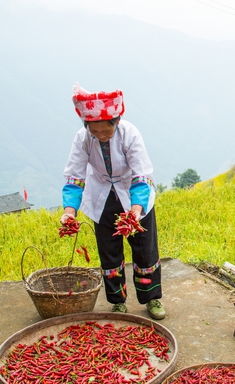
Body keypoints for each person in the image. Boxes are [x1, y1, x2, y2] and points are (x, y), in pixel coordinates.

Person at [60, 84, 165, 320]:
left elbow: (141, 174)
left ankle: (151, 298)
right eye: (95, 132)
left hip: (133, 192)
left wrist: (136, 209)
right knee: (109, 253)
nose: (101, 136)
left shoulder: (130, 134)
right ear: (87, 127)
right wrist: (69, 211)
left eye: (105, 131)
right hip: (102, 195)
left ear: (116, 122)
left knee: (145, 249)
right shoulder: (82, 138)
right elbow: (75, 175)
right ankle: (117, 301)